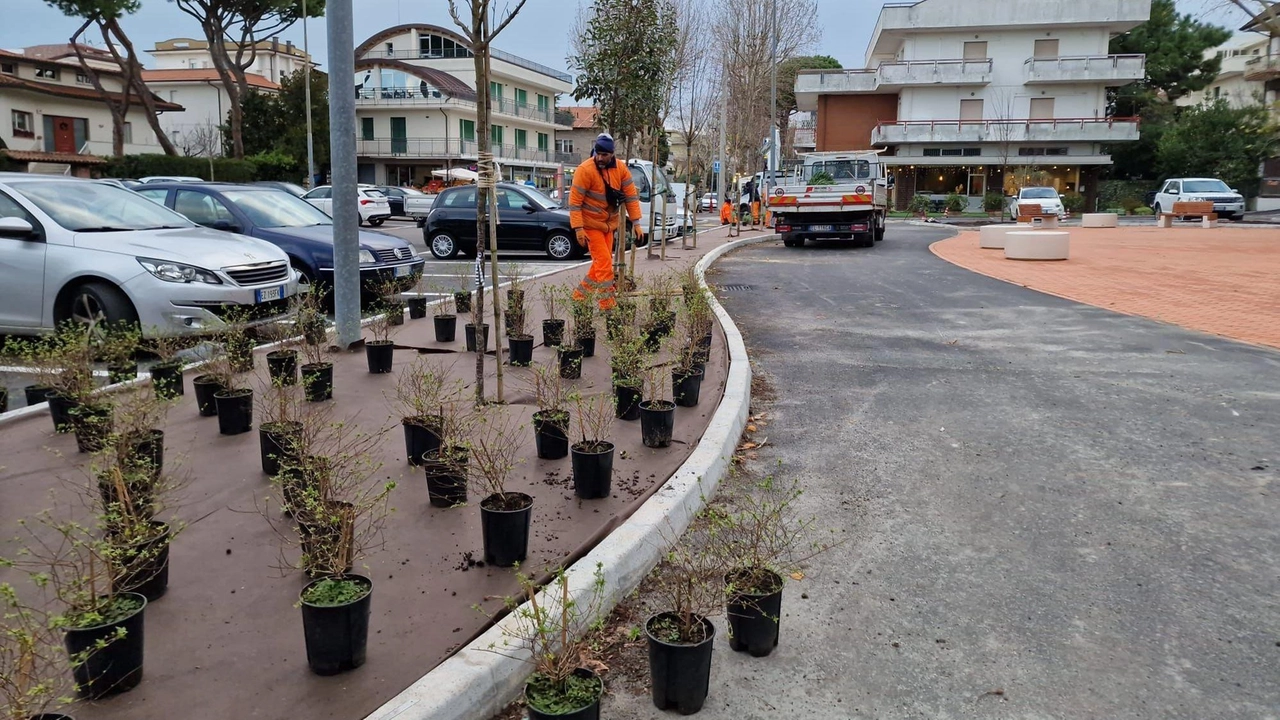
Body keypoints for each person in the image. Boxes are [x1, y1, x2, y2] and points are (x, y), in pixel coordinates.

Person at [568, 133, 644, 311]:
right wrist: (578, 229)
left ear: (612, 154)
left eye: (604, 155)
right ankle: (607, 305)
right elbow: (574, 203)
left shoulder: (621, 169)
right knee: (604, 265)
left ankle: (579, 296)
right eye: (597, 153)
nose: (600, 158)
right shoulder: (585, 170)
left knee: (600, 264)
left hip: (608, 225)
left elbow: (631, 197)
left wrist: (637, 223)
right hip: (590, 225)